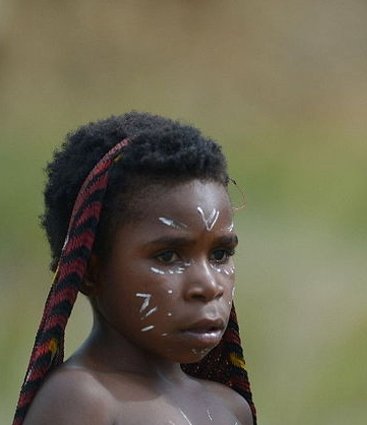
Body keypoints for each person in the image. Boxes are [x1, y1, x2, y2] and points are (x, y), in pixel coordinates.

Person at [14, 112, 255, 425]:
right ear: (90, 271)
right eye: (168, 256)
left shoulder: (230, 408)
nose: (209, 286)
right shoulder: (82, 400)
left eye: (220, 254)